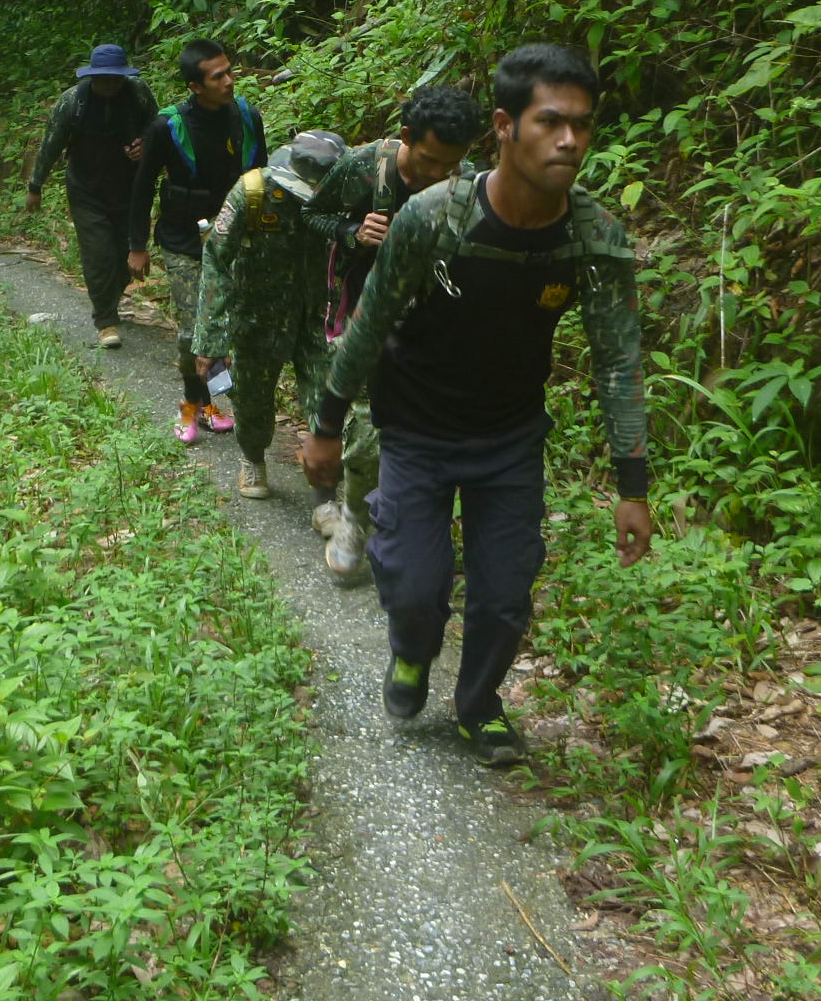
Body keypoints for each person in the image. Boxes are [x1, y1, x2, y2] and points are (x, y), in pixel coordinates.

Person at [300, 43, 654, 768]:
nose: (570, 140)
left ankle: (479, 706)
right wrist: (328, 427)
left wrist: (632, 485)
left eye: (582, 125)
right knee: (414, 586)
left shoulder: (591, 236)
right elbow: (369, 322)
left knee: (504, 593)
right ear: (504, 126)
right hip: (415, 431)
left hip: (509, 439)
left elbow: (618, 360)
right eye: (550, 122)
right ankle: (412, 651)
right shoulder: (435, 219)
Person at [302, 84, 480, 581]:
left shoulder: (468, 180)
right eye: (429, 161)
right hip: (366, 315)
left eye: (450, 164)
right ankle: (355, 522)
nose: (439, 174)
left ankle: (416, 525)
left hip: (432, 322)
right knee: (366, 430)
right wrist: (352, 233)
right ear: (406, 136)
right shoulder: (363, 167)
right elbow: (311, 214)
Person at [127, 39, 269, 444]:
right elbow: (142, 186)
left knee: (231, 329)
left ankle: (216, 403)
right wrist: (137, 245)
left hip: (235, 239)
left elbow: (262, 178)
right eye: (217, 77)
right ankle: (192, 406)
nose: (229, 81)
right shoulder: (167, 127)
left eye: (229, 71)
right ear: (195, 86)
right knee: (193, 332)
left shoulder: (247, 117)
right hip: (183, 240)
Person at [194, 130, 345, 505]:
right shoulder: (253, 192)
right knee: (253, 399)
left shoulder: (348, 195)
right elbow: (216, 259)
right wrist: (211, 338)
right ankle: (253, 458)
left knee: (328, 401)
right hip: (258, 315)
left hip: (320, 316)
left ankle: (326, 489)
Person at [26, 45, 160, 349]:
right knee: (98, 255)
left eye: (116, 79)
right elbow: (50, 144)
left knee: (125, 256)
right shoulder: (72, 102)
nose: (110, 84)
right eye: (104, 79)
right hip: (86, 190)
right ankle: (105, 321)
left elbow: (158, 127)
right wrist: (35, 186)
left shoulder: (138, 93)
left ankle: (109, 300)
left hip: (129, 188)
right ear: (92, 77)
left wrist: (146, 144)